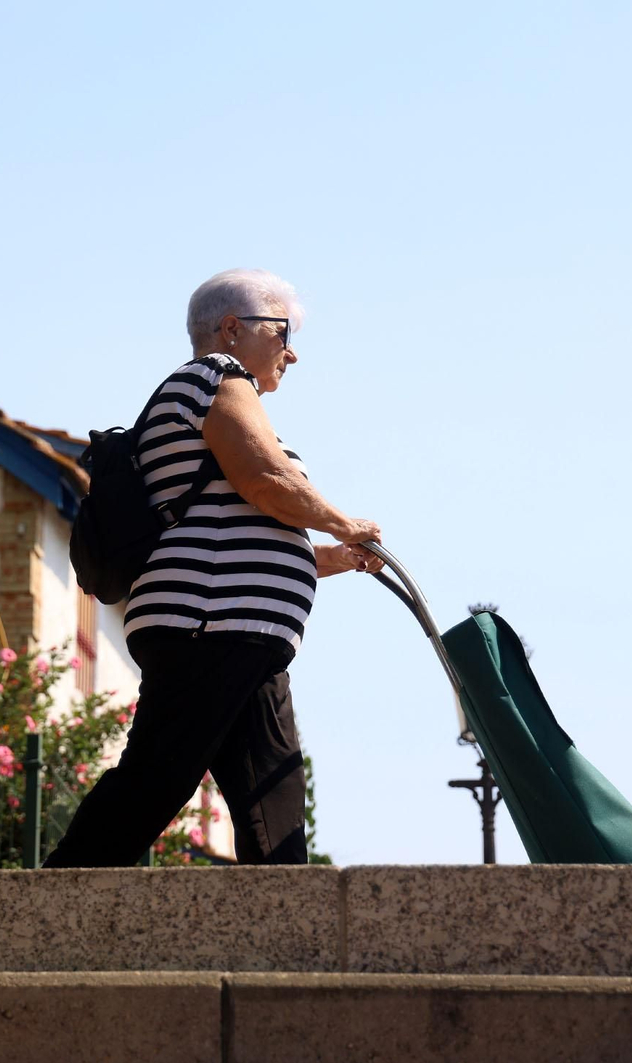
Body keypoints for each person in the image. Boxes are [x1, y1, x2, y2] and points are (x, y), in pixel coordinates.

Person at [43, 268, 383, 867]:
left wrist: (325, 558)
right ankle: (45, 907)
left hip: (240, 630)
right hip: (210, 623)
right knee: (157, 779)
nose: (292, 352)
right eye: (282, 332)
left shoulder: (214, 391)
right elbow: (264, 481)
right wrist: (343, 522)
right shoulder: (217, 378)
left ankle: (289, 933)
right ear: (232, 328)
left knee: (272, 798)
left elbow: (233, 520)